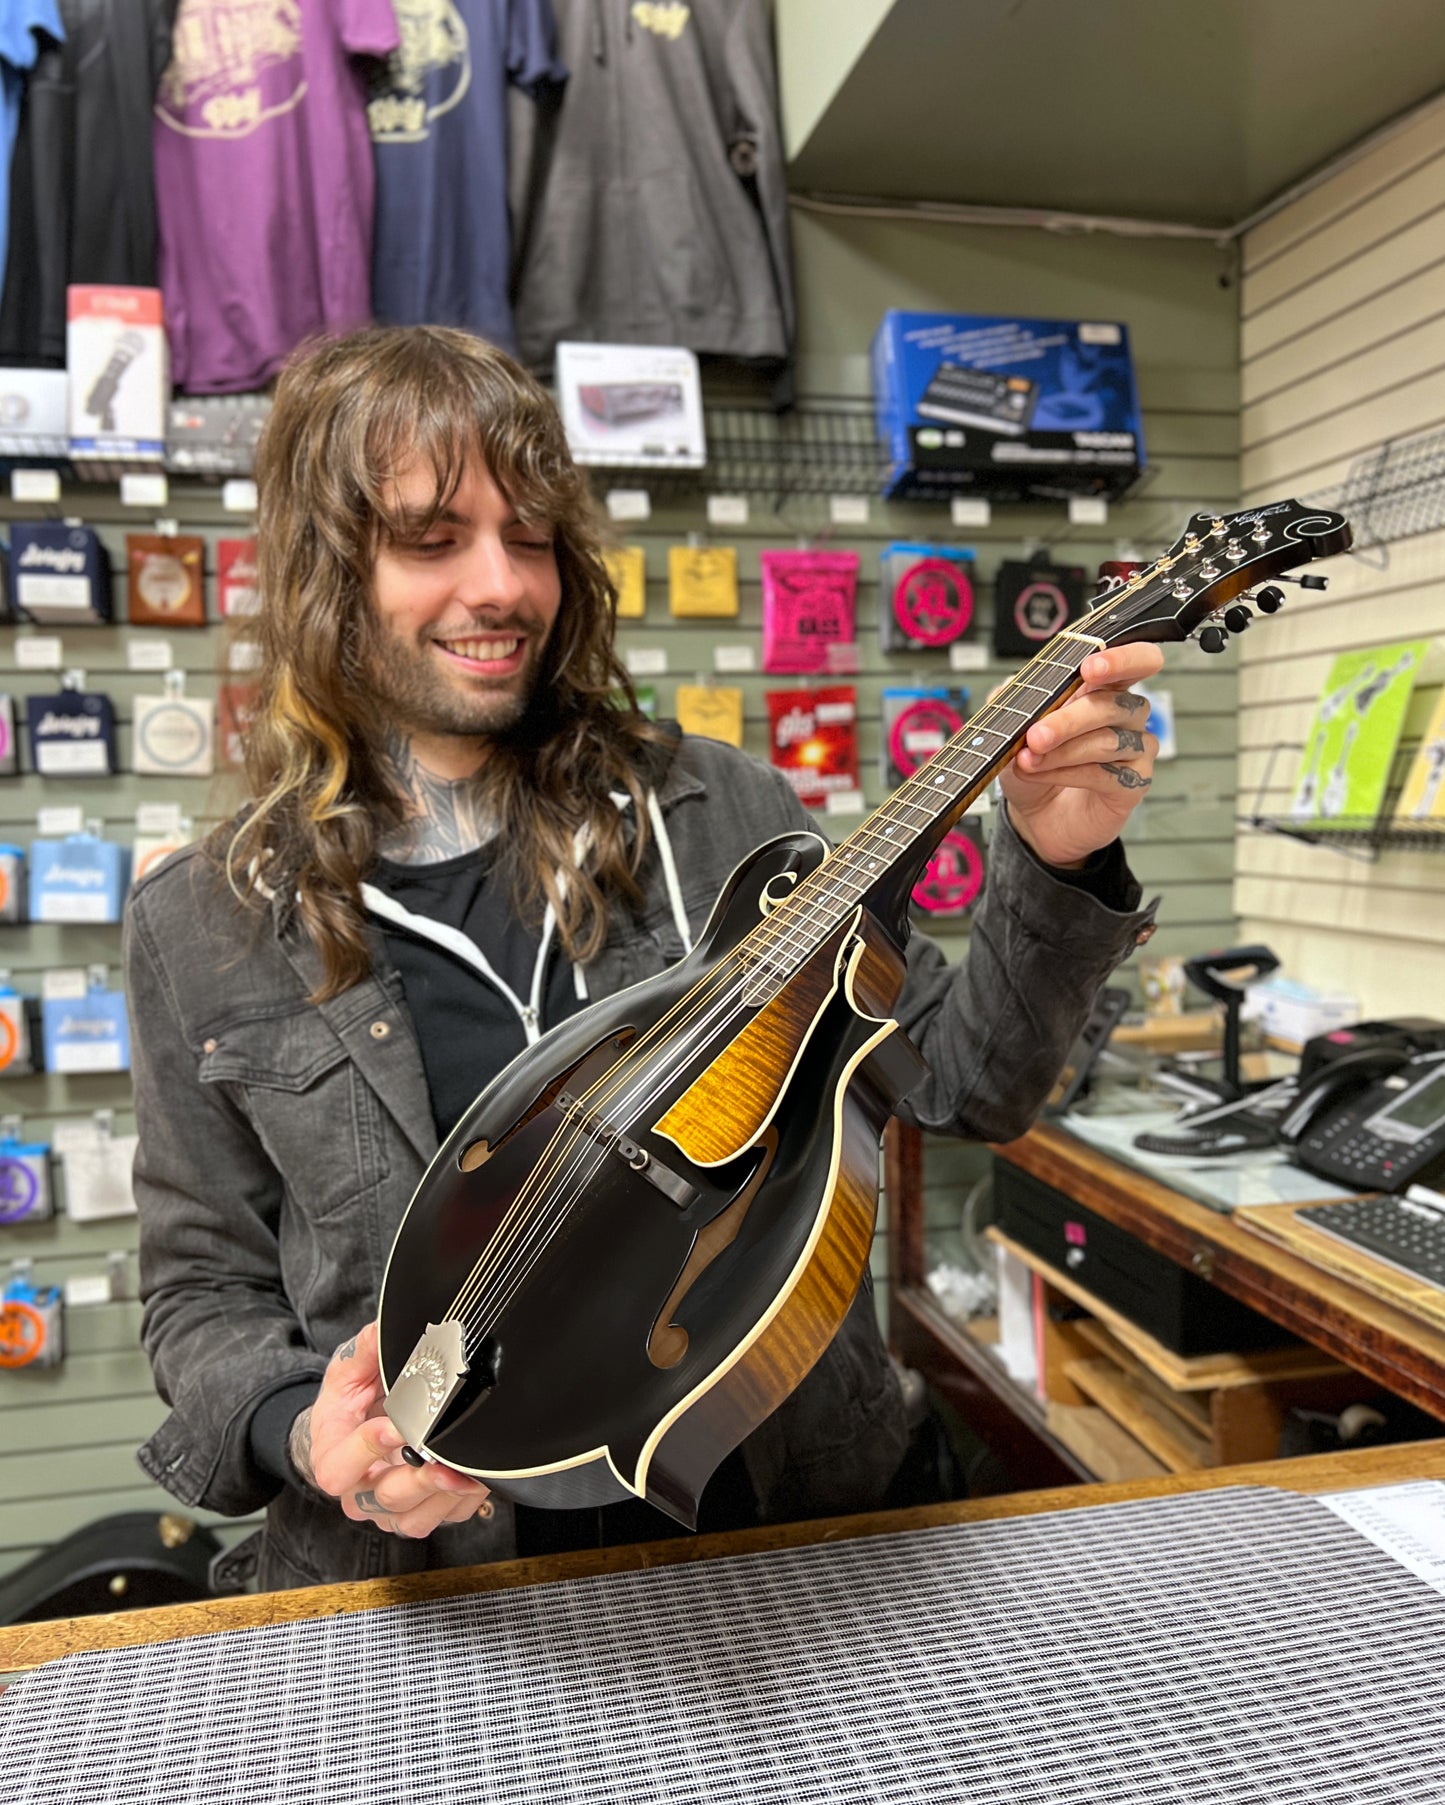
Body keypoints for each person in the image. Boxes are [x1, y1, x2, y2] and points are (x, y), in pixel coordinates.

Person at [125, 326, 1163, 1591]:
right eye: (431, 538)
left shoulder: (715, 810)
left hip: (790, 1530)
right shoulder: (207, 915)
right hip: (442, 1587)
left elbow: (965, 1082)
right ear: (326, 567)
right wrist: (306, 1424)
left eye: (531, 534)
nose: (501, 584)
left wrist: (1053, 860)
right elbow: (203, 1289)